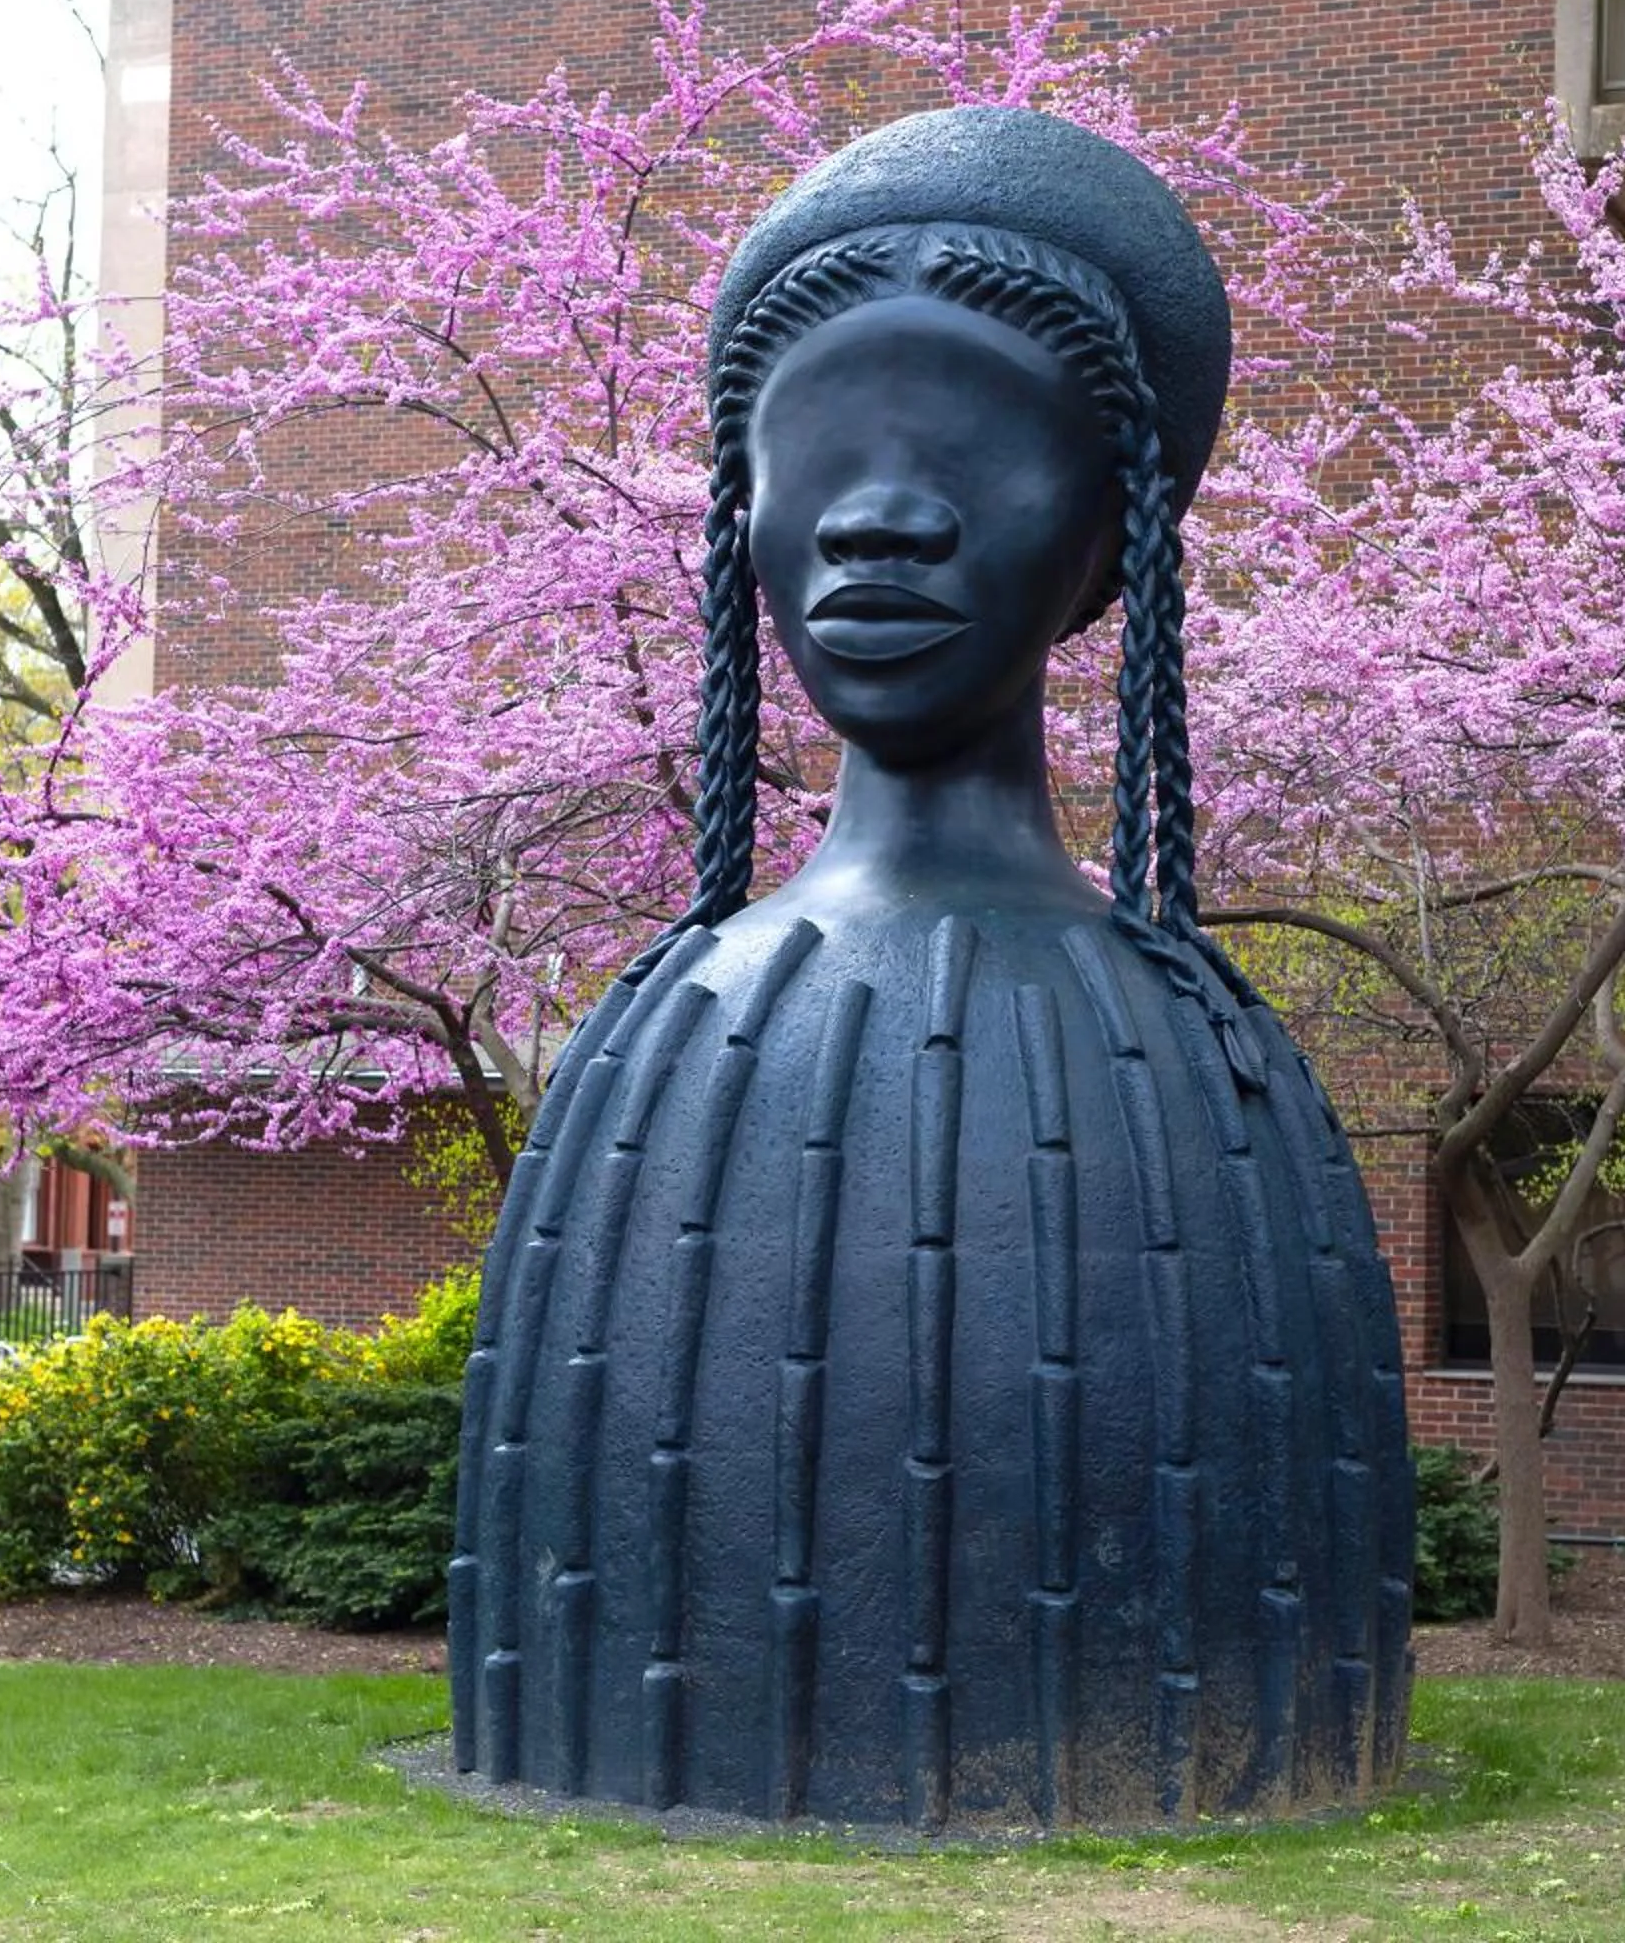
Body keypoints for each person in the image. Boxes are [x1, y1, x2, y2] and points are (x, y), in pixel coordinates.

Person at [448, 106, 1411, 1832]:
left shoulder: (1194, 1052)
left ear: (1110, 541)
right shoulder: (672, 1027)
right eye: (819, 455)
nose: (879, 518)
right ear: (745, 520)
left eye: (972, 451)